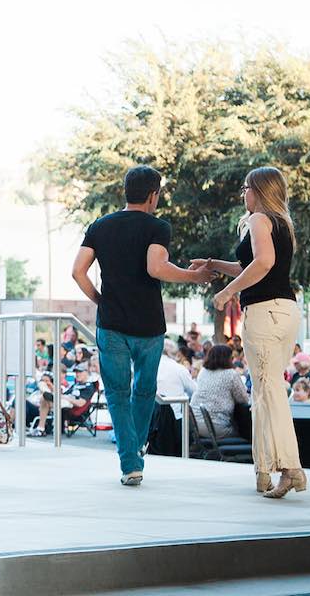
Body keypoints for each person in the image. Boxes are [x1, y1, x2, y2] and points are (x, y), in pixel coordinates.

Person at [71, 165, 213, 486]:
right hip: (149, 325)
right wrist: (195, 276)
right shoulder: (157, 226)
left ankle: (130, 462)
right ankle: (134, 453)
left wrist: (100, 300)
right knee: (144, 391)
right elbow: (156, 267)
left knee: (118, 394)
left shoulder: (99, 226)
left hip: (112, 324)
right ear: (154, 195)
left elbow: (78, 271)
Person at [194, 166, 306, 499]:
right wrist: (214, 264)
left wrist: (227, 292)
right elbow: (251, 266)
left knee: (269, 392)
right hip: (284, 310)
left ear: (257, 189)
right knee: (262, 393)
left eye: (245, 188)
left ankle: (290, 468)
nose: (243, 194)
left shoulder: (259, 219)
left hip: (264, 312)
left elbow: (263, 264)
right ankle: (263, 470)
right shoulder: (281, 222)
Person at [190, 344, 249, 439]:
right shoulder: (231, 374)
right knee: (246, 430)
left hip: (195, 425)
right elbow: (243, 399)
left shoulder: (203, 371)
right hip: (216, 428)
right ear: (227, 358)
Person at [156, 338, 196, 419]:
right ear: (174, 353)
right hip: (176, 419)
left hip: (151, 420)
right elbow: (195, 391)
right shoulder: (180, 369)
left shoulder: (148, 368)